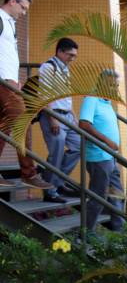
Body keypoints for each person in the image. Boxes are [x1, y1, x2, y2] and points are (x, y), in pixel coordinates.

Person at [0, 0, 51, 190]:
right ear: (12, 1)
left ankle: (28, 174)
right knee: (24, 120)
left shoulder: (10, 24)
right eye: (23, 7)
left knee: (4, 128)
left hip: (9, 83)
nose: (24, 13)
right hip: (3, 83)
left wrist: (15, 79)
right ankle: (29, 173)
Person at [78, 69, 124, 233]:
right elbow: (84, 124)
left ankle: (120, 234)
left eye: (116, 85)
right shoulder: (91, 99)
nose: (114, 88)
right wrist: (106, 141)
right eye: (111, 85)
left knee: (118, 195)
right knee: (98, 197)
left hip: (110, 158)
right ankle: (85, 233)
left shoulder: (107, 103)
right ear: (102, 84)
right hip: (98, 157)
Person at [38, 37, 80, 203]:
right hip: (53, 115)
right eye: (70, 55)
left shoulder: (65, 69)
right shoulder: (48, 67)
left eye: (74, 55)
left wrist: (74, 116)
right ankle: (50, 191)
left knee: (79, 146)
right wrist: (52, 119)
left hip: (67, 115)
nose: (72, 58)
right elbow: (44, 95)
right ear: (60, 51)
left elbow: (66, 98)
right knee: (57, 149)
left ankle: (55, 180)